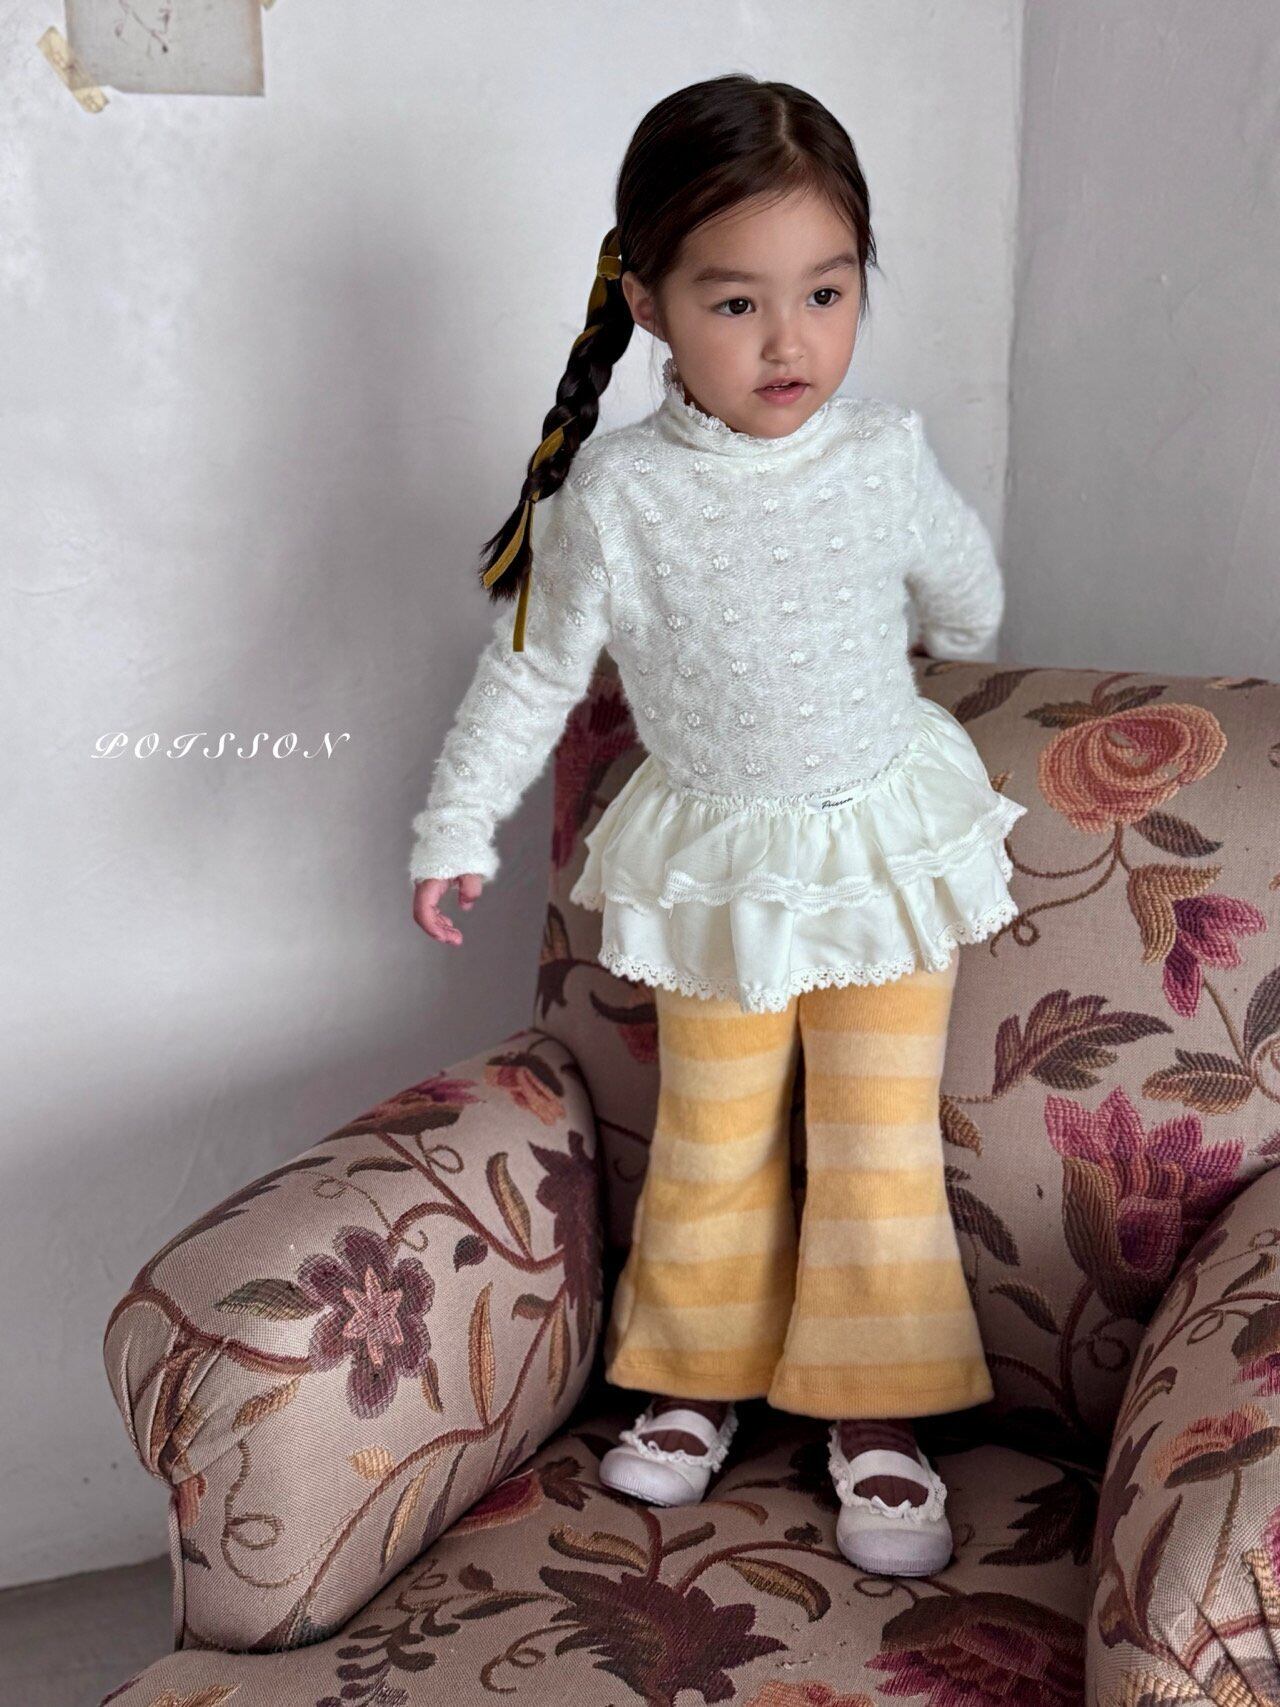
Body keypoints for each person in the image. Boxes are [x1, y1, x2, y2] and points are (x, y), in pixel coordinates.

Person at [408, 74, 1028, 1578]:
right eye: (737, 302)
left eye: (827, 292)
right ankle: (694, 1378)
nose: (789, 340)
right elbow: (531, 672)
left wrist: (949, 619)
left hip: (880, 856)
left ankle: (877, 1410)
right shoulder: (616, 497)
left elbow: (967, 589)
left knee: (877, 1141)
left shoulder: (883, 456)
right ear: (650, 303)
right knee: (713, 1138)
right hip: (716, 873)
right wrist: (455, 828)